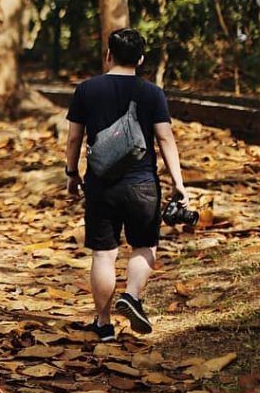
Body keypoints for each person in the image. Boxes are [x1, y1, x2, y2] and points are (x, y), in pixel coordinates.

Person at [64, 28, 189, 342]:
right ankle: (131, 296)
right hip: (142, 183)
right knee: (144, 246)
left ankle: (103, 323)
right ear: (142, 59)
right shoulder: (152, 93)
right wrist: (179, 183)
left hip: (100, 184)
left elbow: (74, 138)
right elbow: (165, 139)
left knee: (104, 255)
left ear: (108, 54)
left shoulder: (87, 90)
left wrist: (71, 174)